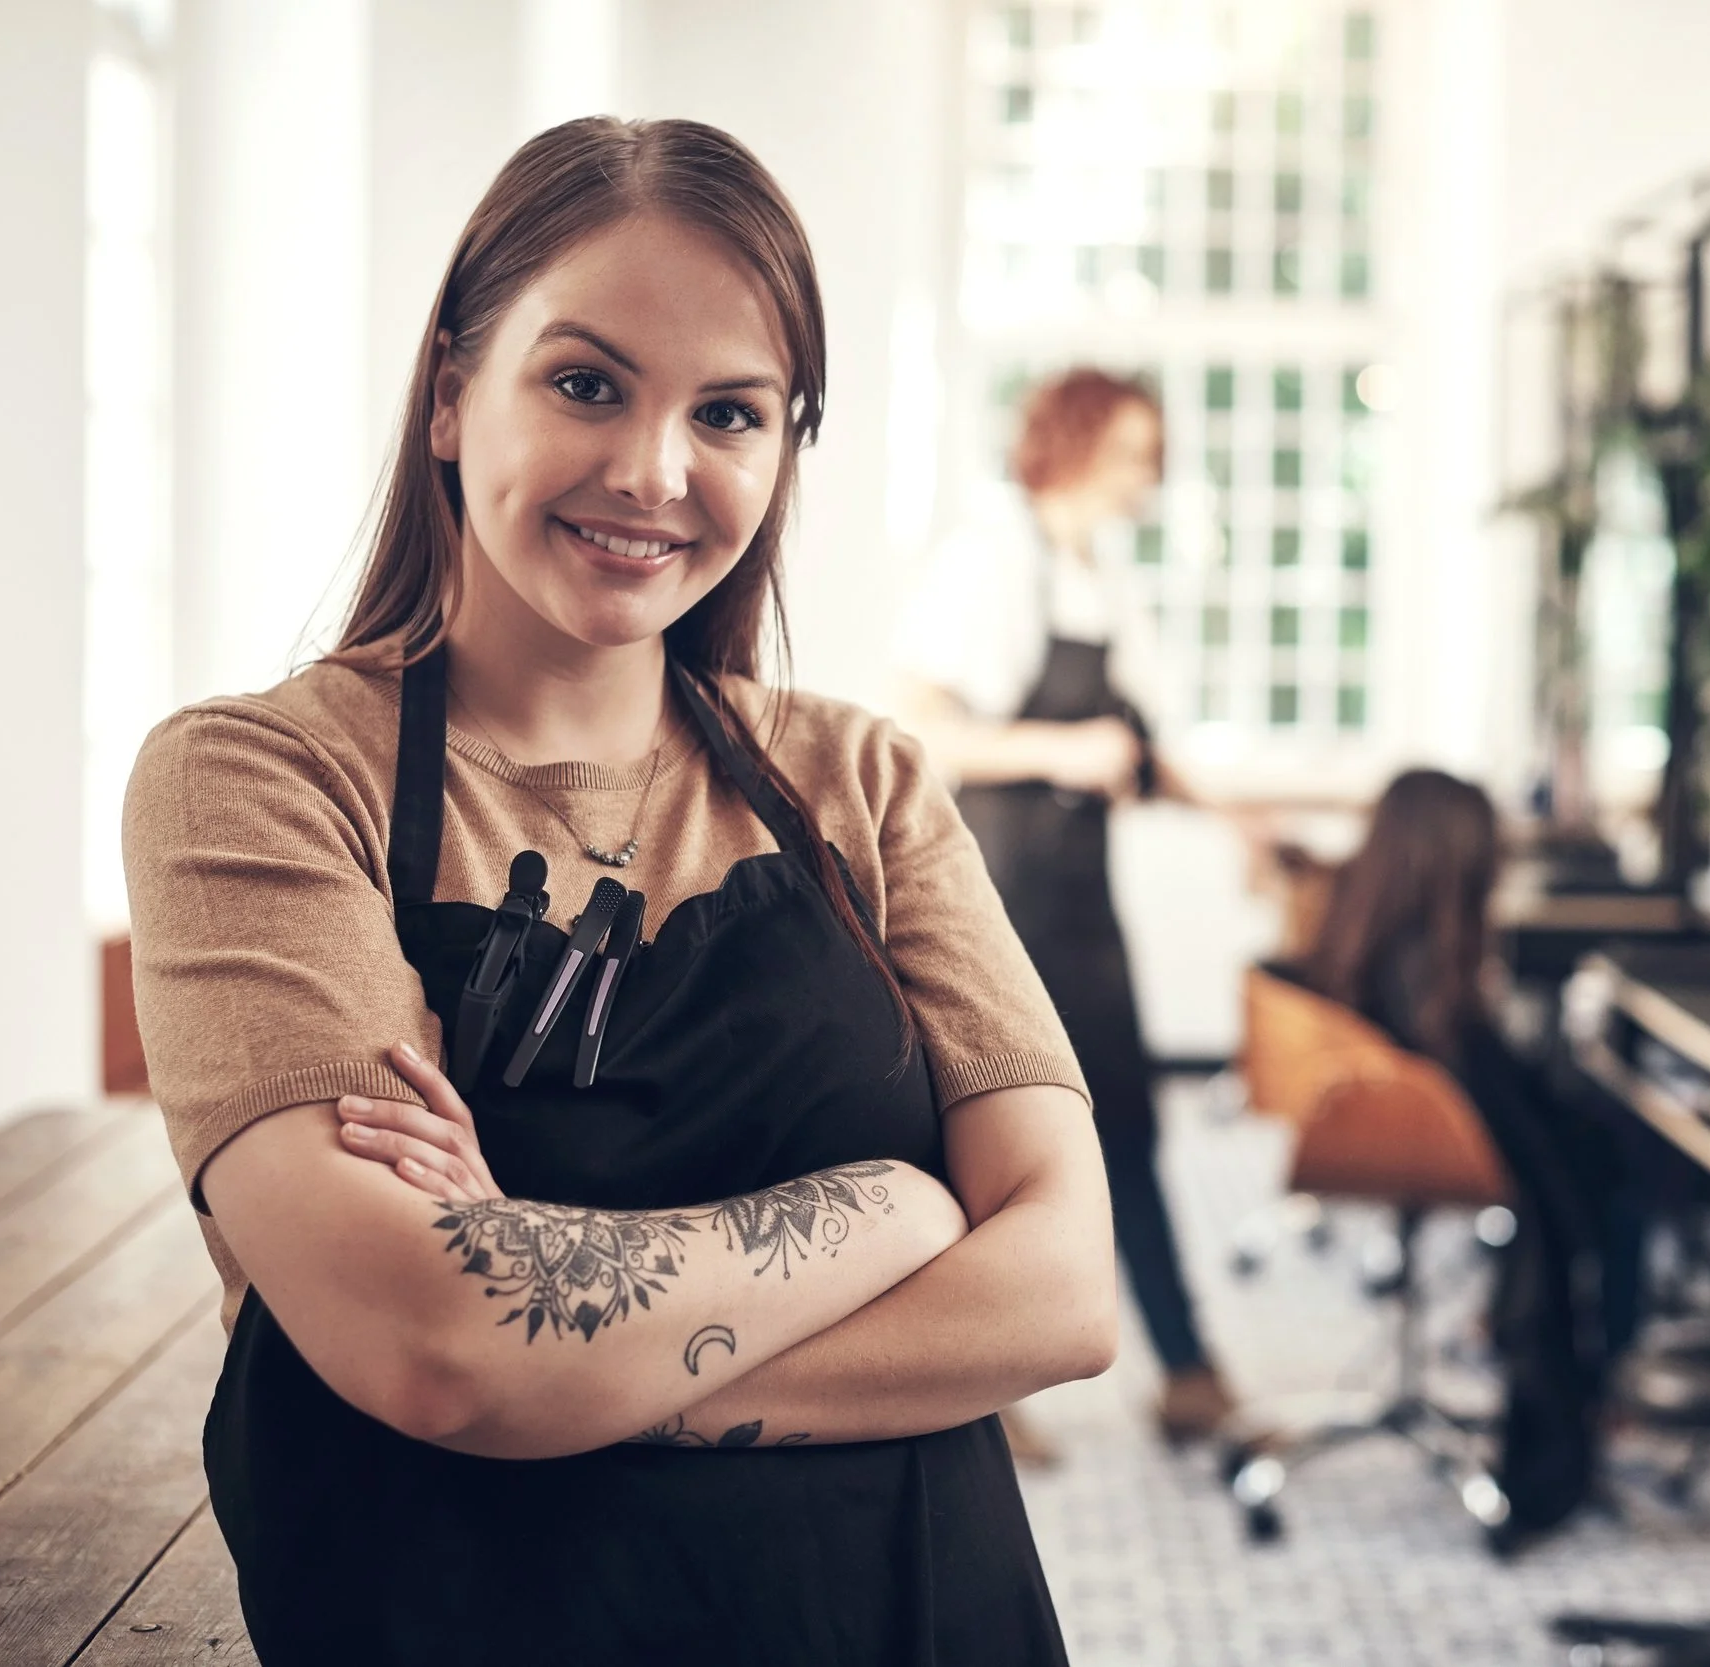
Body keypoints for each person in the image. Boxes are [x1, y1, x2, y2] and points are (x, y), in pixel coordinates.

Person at [122, 118, 1116, 1667]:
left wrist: (569, 1360)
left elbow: (1060, 1289)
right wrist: (896, 1210)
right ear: (453, 392)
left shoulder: (867, 783)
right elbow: (436, 1345)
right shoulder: (256, 782)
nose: (654, 471)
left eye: (731, 412)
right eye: (586, 382)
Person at [894, 369, 1239, 1453]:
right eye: (1136, 449)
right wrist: (1062, 750)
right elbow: (919, 728)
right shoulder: (993, 555)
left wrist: (1245, 827)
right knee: (990, 1136)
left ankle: (1188, 1370)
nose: (1152, 472)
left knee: (1125, 1124)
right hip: (999, 899)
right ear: (1078, 442)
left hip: (1084, 906)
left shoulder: (1098, 578)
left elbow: (1140, 746)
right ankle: (975, 1385)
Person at [1299, 770, 1607, 1549]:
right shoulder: (1430, 971)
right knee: (1602, 1181)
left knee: (1587, 1156)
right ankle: (1583, 1390)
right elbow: (1501, 1106)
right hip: (1442, 1140)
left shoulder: (1367, 933)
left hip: (1394, 1131)